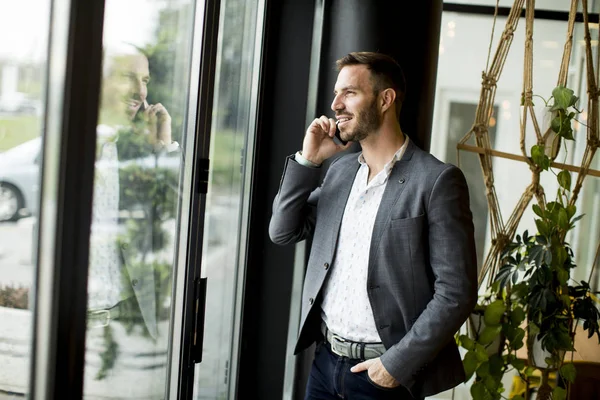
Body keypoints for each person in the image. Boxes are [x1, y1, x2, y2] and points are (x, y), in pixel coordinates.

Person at [269, 51, 478, 399]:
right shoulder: (339, 171)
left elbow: (456, 292)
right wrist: (308, 160)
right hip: (324, 365)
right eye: (337, 94)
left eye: (349, 93)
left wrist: (395, 365)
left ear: (385, 99)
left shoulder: (436, 181)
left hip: (382, 376)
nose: (336, 104)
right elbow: (283, 230)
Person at [87, 51, 179, 339]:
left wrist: (163, 145)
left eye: (145, 80)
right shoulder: (65, 143)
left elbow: (179, 210)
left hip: (128, 322)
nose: (140, 91)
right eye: (129, 77)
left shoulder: (135, 150)